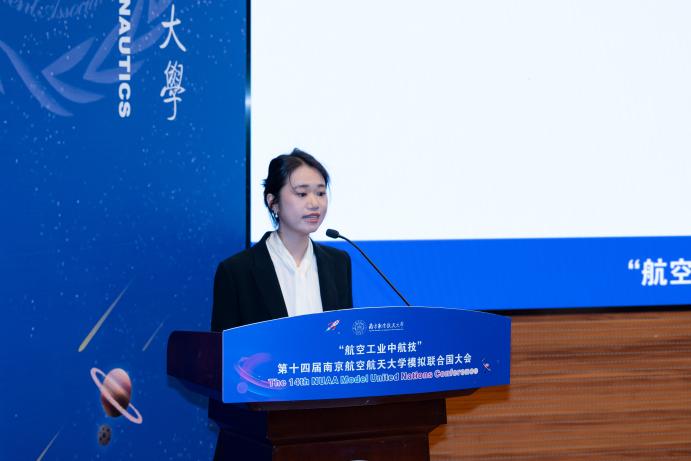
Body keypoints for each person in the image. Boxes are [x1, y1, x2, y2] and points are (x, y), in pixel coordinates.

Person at [210, 148, 353, 332]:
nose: (314, 204)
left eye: (320, 193)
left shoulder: (338, 263)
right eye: (302, 194)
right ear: (273, 202)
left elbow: (344, 336)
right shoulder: (236, 271)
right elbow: (224, 345)